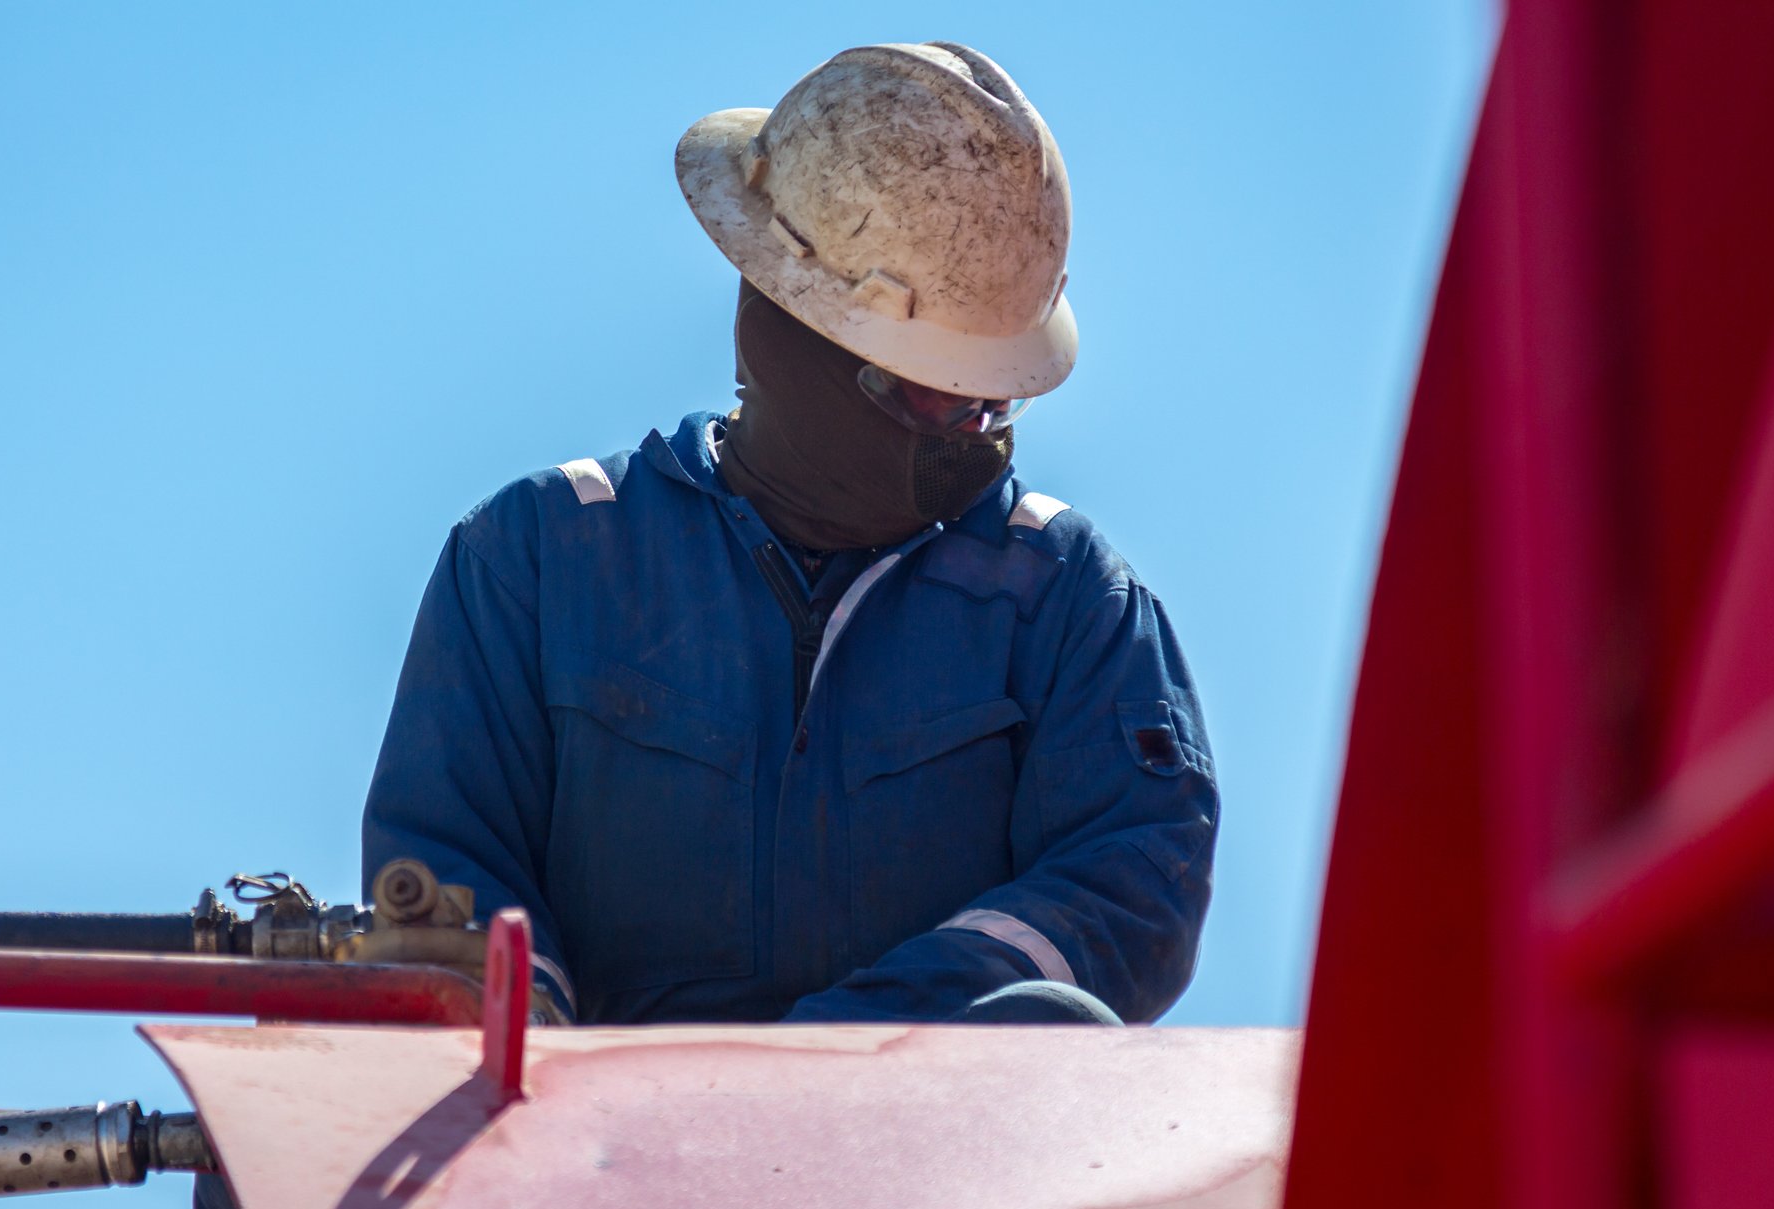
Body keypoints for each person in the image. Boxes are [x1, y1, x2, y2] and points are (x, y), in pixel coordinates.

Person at [363, 41, 1217, 1028]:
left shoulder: (1067, 600)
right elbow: (445, 896)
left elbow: (1133, 883)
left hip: (930, 1157)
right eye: (932, 397)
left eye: (988, 404)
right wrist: (565, 1100)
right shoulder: (540, 559)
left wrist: (834, 1059)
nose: (970, 441)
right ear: (794, 341)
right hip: (594, 1160)